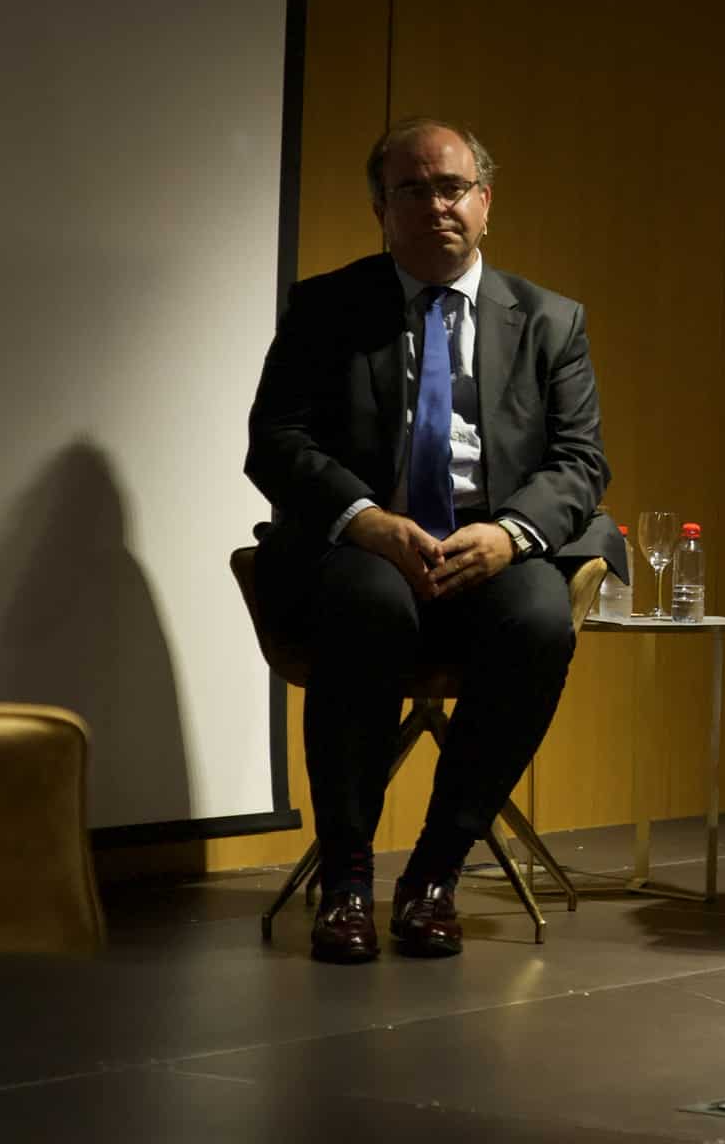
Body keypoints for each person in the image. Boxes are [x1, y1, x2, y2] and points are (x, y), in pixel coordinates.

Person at [245, 120, 620, 964]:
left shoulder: (551, 321)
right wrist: (365, 521)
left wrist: (510, 533)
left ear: (486, 202)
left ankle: (435, 872)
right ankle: (345, 879)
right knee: (368, 606)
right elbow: (276, 441)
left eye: (453, 187)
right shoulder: (327, 307)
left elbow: (580, 460)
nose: (436, 204)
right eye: (413, 189)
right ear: (382, 207)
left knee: (539, 621)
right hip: (362, 554)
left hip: (494, 555)